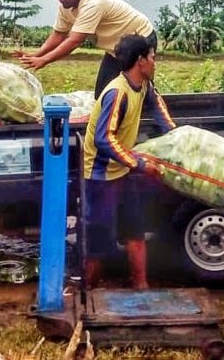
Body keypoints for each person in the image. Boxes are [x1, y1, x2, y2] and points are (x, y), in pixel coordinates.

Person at [82, 34, 175, 289]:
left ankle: (141, 285)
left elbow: (158, 108)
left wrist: (177, 137)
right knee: (99, 238)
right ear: (140, 60)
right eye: (153, 57)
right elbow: (104, 139)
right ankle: (88, 291)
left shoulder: (144, 85)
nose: (155, 62)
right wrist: (141, 165)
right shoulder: (116, 93)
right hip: (100, 176)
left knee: (135, 228)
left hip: (122, 169)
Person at [18, 0, 157, 98]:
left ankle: (151, 118)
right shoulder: (65, 6)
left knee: (138, 91)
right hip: (116, 48)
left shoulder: (92, 3)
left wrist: (44, 60)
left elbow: (75, 40)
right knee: (103, 93)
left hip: (141, 41)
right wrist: (35, 55)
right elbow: (59, 34)